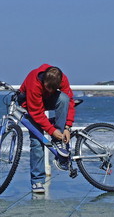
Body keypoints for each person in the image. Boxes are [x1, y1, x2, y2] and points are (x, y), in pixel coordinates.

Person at [19, 64, 75, 193]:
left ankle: (58, 141)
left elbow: (70, 101)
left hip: (48, 101)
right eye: (47, 87)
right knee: (37, 141)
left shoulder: (62, 79)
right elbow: (36, 113)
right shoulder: (34, 81)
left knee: (64, 99)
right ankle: (37, 181)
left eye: (53, 88)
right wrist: (51, 130)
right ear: (44, 80)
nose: (50, 90)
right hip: (31, 104)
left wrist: (67, 127)